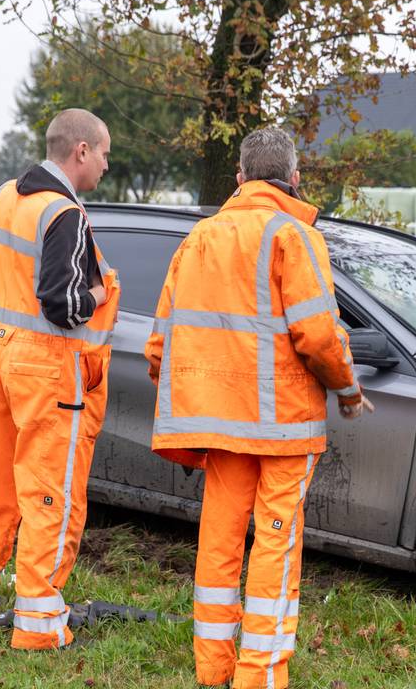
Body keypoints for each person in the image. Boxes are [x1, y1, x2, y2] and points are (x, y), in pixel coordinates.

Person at [145, 127, 374, 688]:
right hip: (283, 427)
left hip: (219, 425)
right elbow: (319, 335)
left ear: (241, 178)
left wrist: (190, 394)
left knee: (219, 540)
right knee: (276, 539)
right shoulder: (294, 236)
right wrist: (347, 390)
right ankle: (261, 675)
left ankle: (212, 666)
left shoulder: (198, 238)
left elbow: (160, 343)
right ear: (295, 179)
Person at [0, 108, 121, 650]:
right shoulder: (64, 212)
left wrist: (15, 297)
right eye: (105, 153)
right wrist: (100, 293)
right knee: (50, 496)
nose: (107, 166)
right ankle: (40, 628)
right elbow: (62, 305)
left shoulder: (5, 195)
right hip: (46, 369)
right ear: (81, 151)